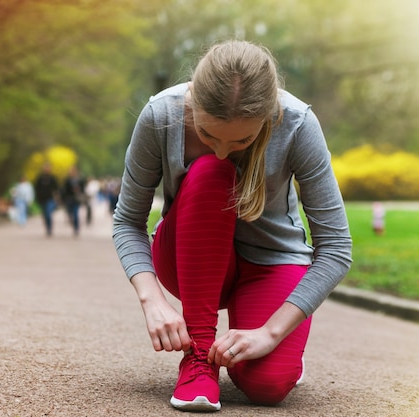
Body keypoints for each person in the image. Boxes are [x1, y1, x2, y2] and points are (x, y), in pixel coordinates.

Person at [112, 40, 352, 412]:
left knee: (269, 385)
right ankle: (199, 360)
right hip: (189, 255)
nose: (223, 149)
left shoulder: (298, 122)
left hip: (270, 260)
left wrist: (271, 333)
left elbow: (336, 247)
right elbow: (128, 220)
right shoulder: (162, 114)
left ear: (269, 115)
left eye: (242, 140)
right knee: (212, 170)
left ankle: (253, 359)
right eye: (209, 135)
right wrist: (152, 301)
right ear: (194, 105)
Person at [33, 163, 60, 237]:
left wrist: (57, 199)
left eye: (48, 168)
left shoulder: (53, 178)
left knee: (48, 213)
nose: (46, 170)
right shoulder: (40, 178)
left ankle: (50, 228)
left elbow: (56, 189)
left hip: (50, 199)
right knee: (44, 215)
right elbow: (36, 189)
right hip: (42, 199)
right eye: (45, 168)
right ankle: (47, 228)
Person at [60, 166, 86, 236]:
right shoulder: (67, 180)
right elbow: (64, 190)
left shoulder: (80, 180)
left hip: (76, 199)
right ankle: (73, 223)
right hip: (69, 199)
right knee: (70, 213)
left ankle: (76, 228)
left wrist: (79, 191)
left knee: (75, 213)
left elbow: (83, 189)